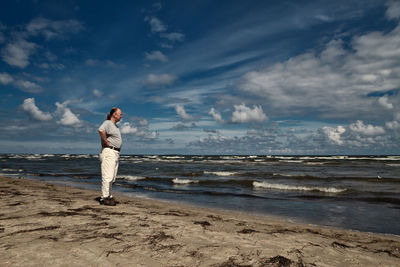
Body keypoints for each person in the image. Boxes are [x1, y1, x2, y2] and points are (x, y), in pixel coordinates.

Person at [98, 107, 122, 206]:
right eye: (120, 114)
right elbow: (100, 130)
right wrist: (105, 141)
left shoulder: (115, 126)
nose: (121, 116)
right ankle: (104, 197)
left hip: (115, 153)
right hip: (109, 151)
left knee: (112, 177)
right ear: (114, 115)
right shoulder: (108, 123)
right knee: (107, 176)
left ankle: (109, 196)